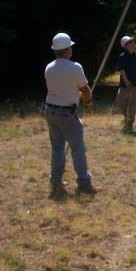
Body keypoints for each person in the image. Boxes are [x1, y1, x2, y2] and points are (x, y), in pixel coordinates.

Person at [44, 32, 96, 199]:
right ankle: (83, 181)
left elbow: (63, 89)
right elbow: (85, 90)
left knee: (57, 148)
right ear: (67, 50)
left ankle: (56, 180)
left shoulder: (49, 68)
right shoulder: (75, 67)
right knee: (78, 148)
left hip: (51, 111)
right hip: (67, 113)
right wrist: (87, 103)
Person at [115, 35, 136, 134]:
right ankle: (127, 119)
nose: (132, 43)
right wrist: (126, 81)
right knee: (120, 102)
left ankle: (129, 126)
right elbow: (122, 70)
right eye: (130, 42)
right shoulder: (122, 57)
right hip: (124, 85)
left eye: (133, 42)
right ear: (125, 45)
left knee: (133, 106)